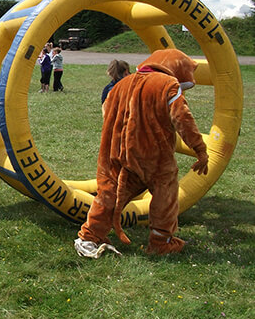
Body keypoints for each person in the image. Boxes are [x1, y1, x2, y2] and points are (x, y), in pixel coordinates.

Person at [75, 49, 209, 257]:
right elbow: (183, 119)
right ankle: (160, 241)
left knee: (110, 195)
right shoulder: (168, 85)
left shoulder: (120, 86)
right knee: (165, 195)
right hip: (155, 158)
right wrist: (200, 150)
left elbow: (106, 112)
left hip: (118, 155)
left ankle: (89, 236)